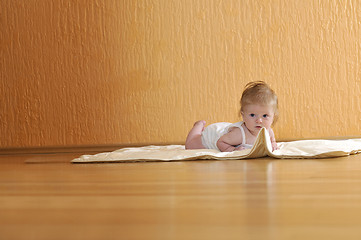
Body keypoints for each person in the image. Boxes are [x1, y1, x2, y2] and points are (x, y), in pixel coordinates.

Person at [185, 81, 279, 152]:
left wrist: (273, 143)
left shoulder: (268, 130)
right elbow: (220, 142)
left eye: (265, 116)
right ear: (243, 115)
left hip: (227, 131)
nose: (259, 120)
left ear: (273, 117)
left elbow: (271, 139)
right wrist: (232, 150)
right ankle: (198, 126)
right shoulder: (239, 134)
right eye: (252, 115)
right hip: (213, 136)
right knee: (190, 146)